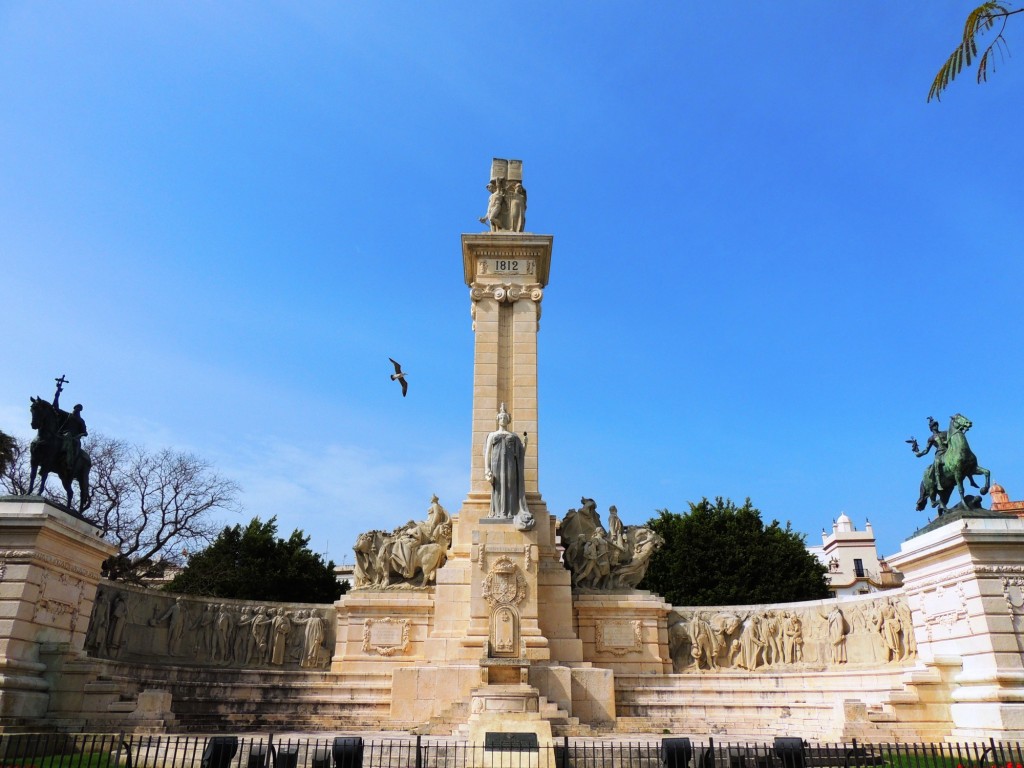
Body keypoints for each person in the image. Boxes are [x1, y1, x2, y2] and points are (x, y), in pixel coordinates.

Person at [483, 404, 531, 526]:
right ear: (498, 419)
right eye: (501, 418)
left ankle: (511, 512)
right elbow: (487, 453)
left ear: (508, 420)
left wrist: (525, 444)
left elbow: (520, 454)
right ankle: (498, 512)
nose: (503, 420)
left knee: (510, 485)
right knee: (498, 487)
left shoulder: (514, 436)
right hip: (496, 464)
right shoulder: (492, 435)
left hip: (510, 464)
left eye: (505, 418)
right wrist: (487, 469)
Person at [914, 417, 949, 492]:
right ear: (931, 428)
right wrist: (918, 453)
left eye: (936, 425)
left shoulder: (945, 433)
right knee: (936, 462)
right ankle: (938, 483)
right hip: (940, 452)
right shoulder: (931, 438)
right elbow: (926, 450)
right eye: (934, 426)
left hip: (949, 450)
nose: (936, 426)